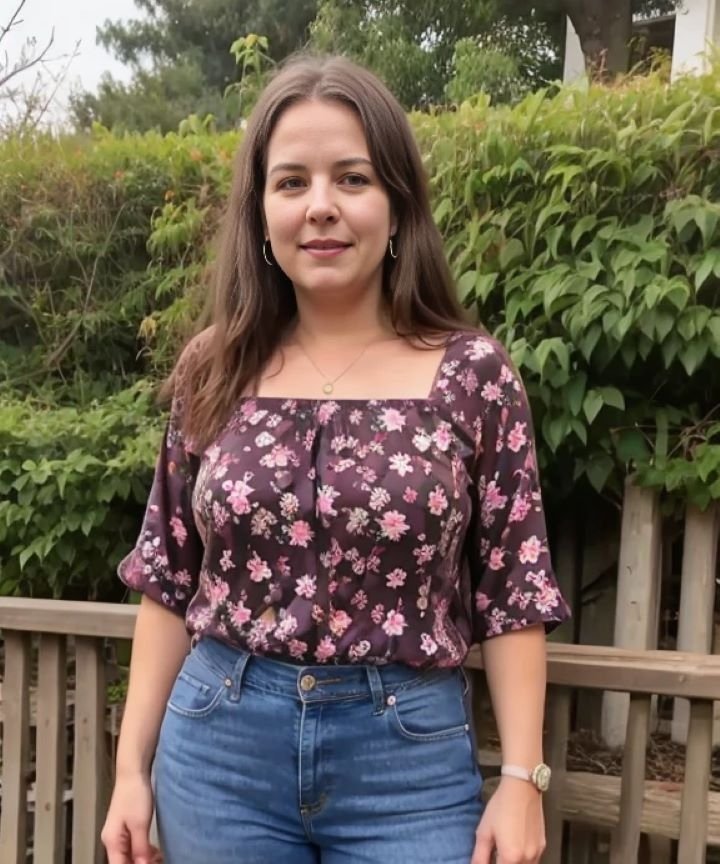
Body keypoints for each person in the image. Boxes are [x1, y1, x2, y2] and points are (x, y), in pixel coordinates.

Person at [101, 53, 570, 864]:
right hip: (217, 754)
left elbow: (513, 590)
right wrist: (128, 770)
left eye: (352, 178)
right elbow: (170, 577)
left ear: (398, 205)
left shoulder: (473, 375)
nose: (321, 205)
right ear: (261, 215)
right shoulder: (215, 368)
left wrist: (523, 780)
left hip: (408, 765)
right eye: (292, 182)